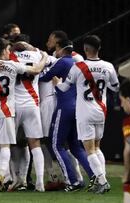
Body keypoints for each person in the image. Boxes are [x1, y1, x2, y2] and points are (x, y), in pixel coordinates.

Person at [0, 38, 48, 192]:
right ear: (4, 50)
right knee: (12, 145)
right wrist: (44, 57)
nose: (9, 52)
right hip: (10, 109)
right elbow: (36, 70)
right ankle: (6, 176)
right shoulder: (14, 64)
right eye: (7, 50)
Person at [55, 35, 120, 194]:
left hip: (85, 112)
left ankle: (103, 182)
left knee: (89, 149)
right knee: (97, 147)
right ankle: (100, 180)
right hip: (101, 110)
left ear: (85, 49)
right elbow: (116, 87)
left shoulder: (79, 66)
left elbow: (64, 88)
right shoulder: (108, 66)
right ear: (99, 48)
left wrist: (56, 83)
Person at [40, 39, 94, 192]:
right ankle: (95, 178)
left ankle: (72, 181)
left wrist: (43, 61)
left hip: (65, 107)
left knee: (55, 145)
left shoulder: (62, 61)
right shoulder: (77, 63)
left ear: (59, 47)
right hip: (78, 107)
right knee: (77, 147)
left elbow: (44, 76)